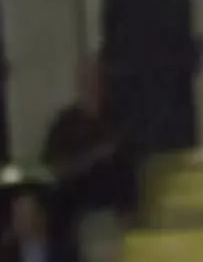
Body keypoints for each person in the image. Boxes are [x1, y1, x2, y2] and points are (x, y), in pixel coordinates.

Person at [41, 58, 134, 262]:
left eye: (95, 78)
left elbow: (129, 163)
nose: (92, 85)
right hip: (76, 204)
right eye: (86, 79)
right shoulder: (65, 124)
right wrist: (92, 157)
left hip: (112, 201)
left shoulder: (117, 119)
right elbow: (55, 167)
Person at [0, 189, 75, 262]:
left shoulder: (62, 252)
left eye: (24, 214)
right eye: (16, 214)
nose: (18, 220)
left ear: (41, 216)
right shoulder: (5, 255)